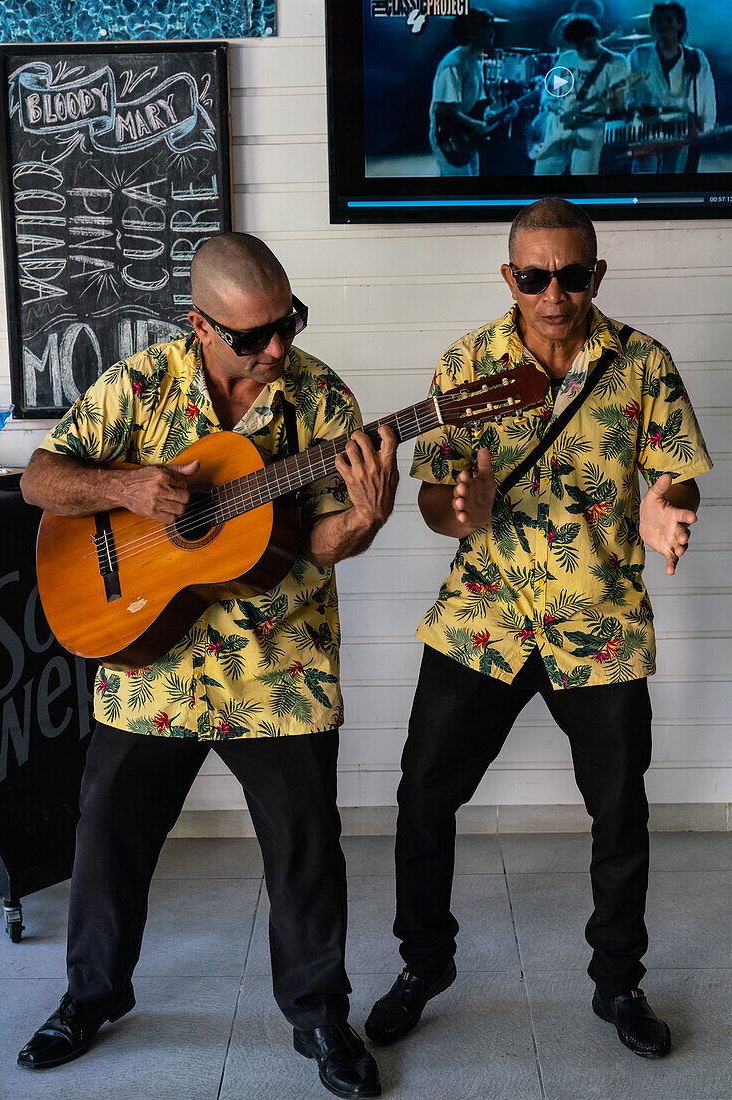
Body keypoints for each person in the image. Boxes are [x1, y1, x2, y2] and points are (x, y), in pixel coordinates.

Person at [17, 232, 398, 1099]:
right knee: (108, 834)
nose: (277, 350)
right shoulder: (141, 386)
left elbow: (326, 541)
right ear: (199, 323)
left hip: (279, 664)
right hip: (150, 661)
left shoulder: (321, 400)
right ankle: (90, 998)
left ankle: (318, 1017)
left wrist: (367, 520)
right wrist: (126, 488)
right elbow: (42, 478)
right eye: (253, 336)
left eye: (288, 324)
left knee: (305, 846)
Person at [365, 198, 711, 1059]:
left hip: (598, 621)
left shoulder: (643, 364)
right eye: (533, 276)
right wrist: (459, 509)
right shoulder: (467, 363)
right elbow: (431, 497)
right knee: (422, 794)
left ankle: (618, 984)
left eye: (571, 274)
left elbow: (678, 476)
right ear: (509, 278)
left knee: (619, 812)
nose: (553, 293)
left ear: (597, 274)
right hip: (486, 615)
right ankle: (423, 963)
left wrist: (671, 509)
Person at [532, 15, 628, 175]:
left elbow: (618, 104)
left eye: (588, 45)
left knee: (583, 180)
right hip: (556, 127)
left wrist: (599, 109)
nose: (584, 51)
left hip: (589, 128)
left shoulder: (616, 62)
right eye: (578, 47)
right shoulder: (566, 58)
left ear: (597, 36)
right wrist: (549, 105)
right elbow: (554, 90)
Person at [429, 7, 519, 177]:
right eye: (487, 29)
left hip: (465, 136)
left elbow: (478, 106)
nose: (492, 33)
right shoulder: (455, 63)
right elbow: (444, 111)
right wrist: (476, 125)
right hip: (449, 137)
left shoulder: (476, 61)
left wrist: (503, 113)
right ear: (472, 33)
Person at [628, 2, 716, 173]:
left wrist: (705, 127)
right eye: (658, 21)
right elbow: (628, 91)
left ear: (680, 24)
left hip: (682, 127)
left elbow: (707, 94)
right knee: (644, 175)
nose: (663, 26)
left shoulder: (695, 57)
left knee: (675, 174)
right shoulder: (639, 55)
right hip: (647, 126)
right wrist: (633, 113)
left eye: (669, 20)